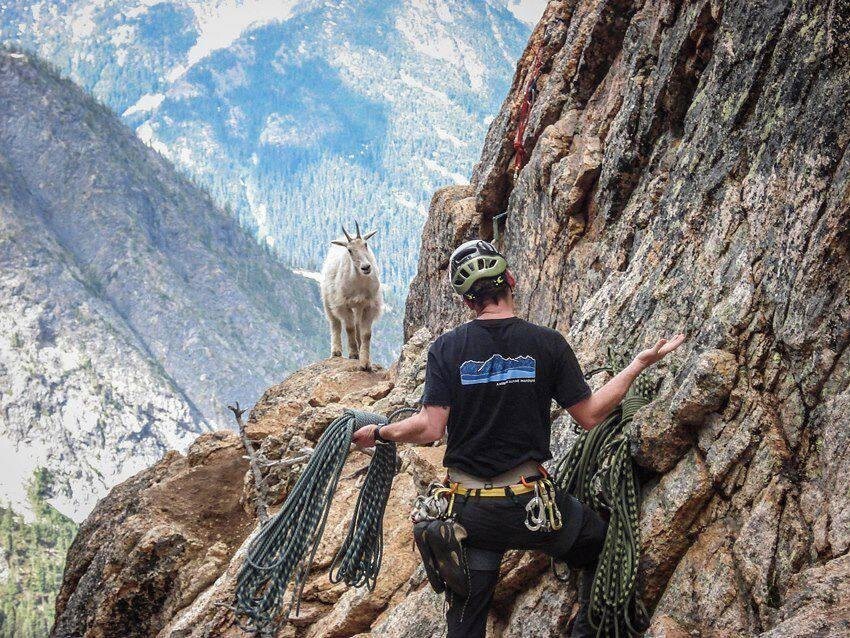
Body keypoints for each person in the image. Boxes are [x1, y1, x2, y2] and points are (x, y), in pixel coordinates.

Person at [353, 240, 685, 637]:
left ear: (467, 302)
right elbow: (591, 416)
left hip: (471, 514)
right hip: (534, 508)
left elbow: (429, 427)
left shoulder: (447, 348)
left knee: (465, 619)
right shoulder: (547, 344)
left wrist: (379, 432)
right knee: (600, 546)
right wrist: (637, 365)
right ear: (510, 280)